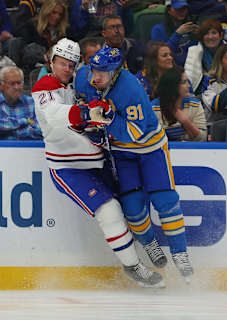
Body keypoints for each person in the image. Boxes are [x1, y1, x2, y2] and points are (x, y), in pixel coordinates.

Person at [31, 38, 164, 288]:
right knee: (109, 210)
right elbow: (55, 114)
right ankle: (133, 267)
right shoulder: (44, 87)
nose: (67, 69)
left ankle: (145, 246)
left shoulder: (80, 84)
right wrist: (86, 113)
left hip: (98, 161)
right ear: (52, 62)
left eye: (71, 65)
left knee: (132, 202)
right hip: (69, 168)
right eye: (62, 64)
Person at [74, 47, 194, 281]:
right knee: (132, 208)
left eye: (103, 72)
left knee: (165, 201)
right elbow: (80, 100)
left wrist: (108, 118)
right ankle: (150, 244)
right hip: (121, 152)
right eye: (94, 70)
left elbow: (134, 133)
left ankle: (181, 254)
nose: (96, 77)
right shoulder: (84, 77)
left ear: (116, 72)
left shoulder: (130, 90)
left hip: (150, 148)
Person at [0, 66, 42, 140]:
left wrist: (5, 129)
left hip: (27, 148)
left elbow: (41, 129)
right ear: (0, 84)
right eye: (12, 83)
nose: (16, 87)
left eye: (19, 83)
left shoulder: (32, 102)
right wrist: (26, 121)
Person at [152, 67, 207, 141]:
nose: (189, 86)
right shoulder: (153, 109)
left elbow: (202, 139)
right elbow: (151, 139)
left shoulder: (195, 105)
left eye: (187, 81)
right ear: (172, 86)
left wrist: (186, 122)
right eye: (184, 82)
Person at [150, 0, 199, 67]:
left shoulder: (190, 27)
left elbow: (196, 52)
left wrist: (198, 36)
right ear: (169, 10)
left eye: (184, 8)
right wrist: (177, 34)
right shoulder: (158, 29)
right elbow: (160, 54)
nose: (182, 11)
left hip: (192, 67)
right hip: (170, 67)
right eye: (178, 9)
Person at [184, 18, 224, 95]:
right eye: (206, 34)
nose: (210, 37)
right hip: (201, 93)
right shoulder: (194, 51)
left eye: (214, 33)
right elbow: (189, 76)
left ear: (221, 35)